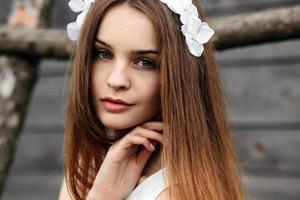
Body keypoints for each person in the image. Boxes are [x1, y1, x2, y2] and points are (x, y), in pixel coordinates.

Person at [59, 0, 246, 199]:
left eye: (145, 62)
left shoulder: (173, 194)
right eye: (103, 54)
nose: (116, 80)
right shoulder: (88, 164)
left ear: (180, 77)